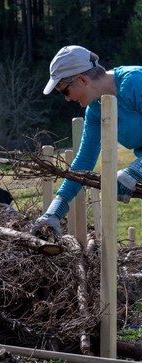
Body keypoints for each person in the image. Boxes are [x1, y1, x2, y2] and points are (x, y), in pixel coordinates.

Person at [33, 44, 142, 236]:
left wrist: (135, 171)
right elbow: (84, 161)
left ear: (82, 80)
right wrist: (55, 211)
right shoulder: (95, 110)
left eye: (64, 91)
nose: (66, 99)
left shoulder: (135, 82)